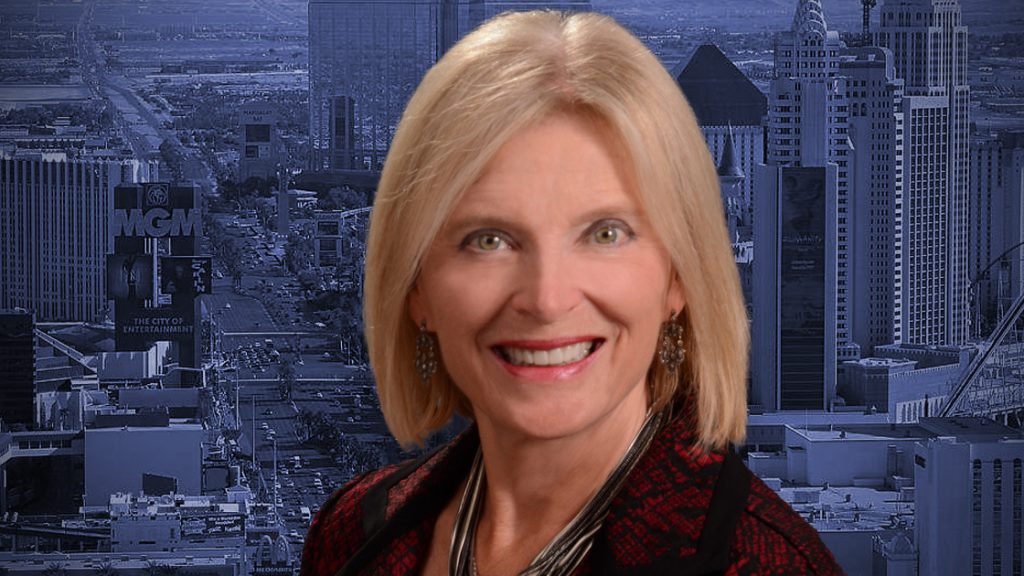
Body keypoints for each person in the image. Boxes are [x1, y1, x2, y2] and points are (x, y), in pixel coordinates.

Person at [302, 10, 844, 576]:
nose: (547, 298)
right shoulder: (351, 537)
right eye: (489, 239)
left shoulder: (765, 564)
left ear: (677, 280)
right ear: (418, 290)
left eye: (605, 234)